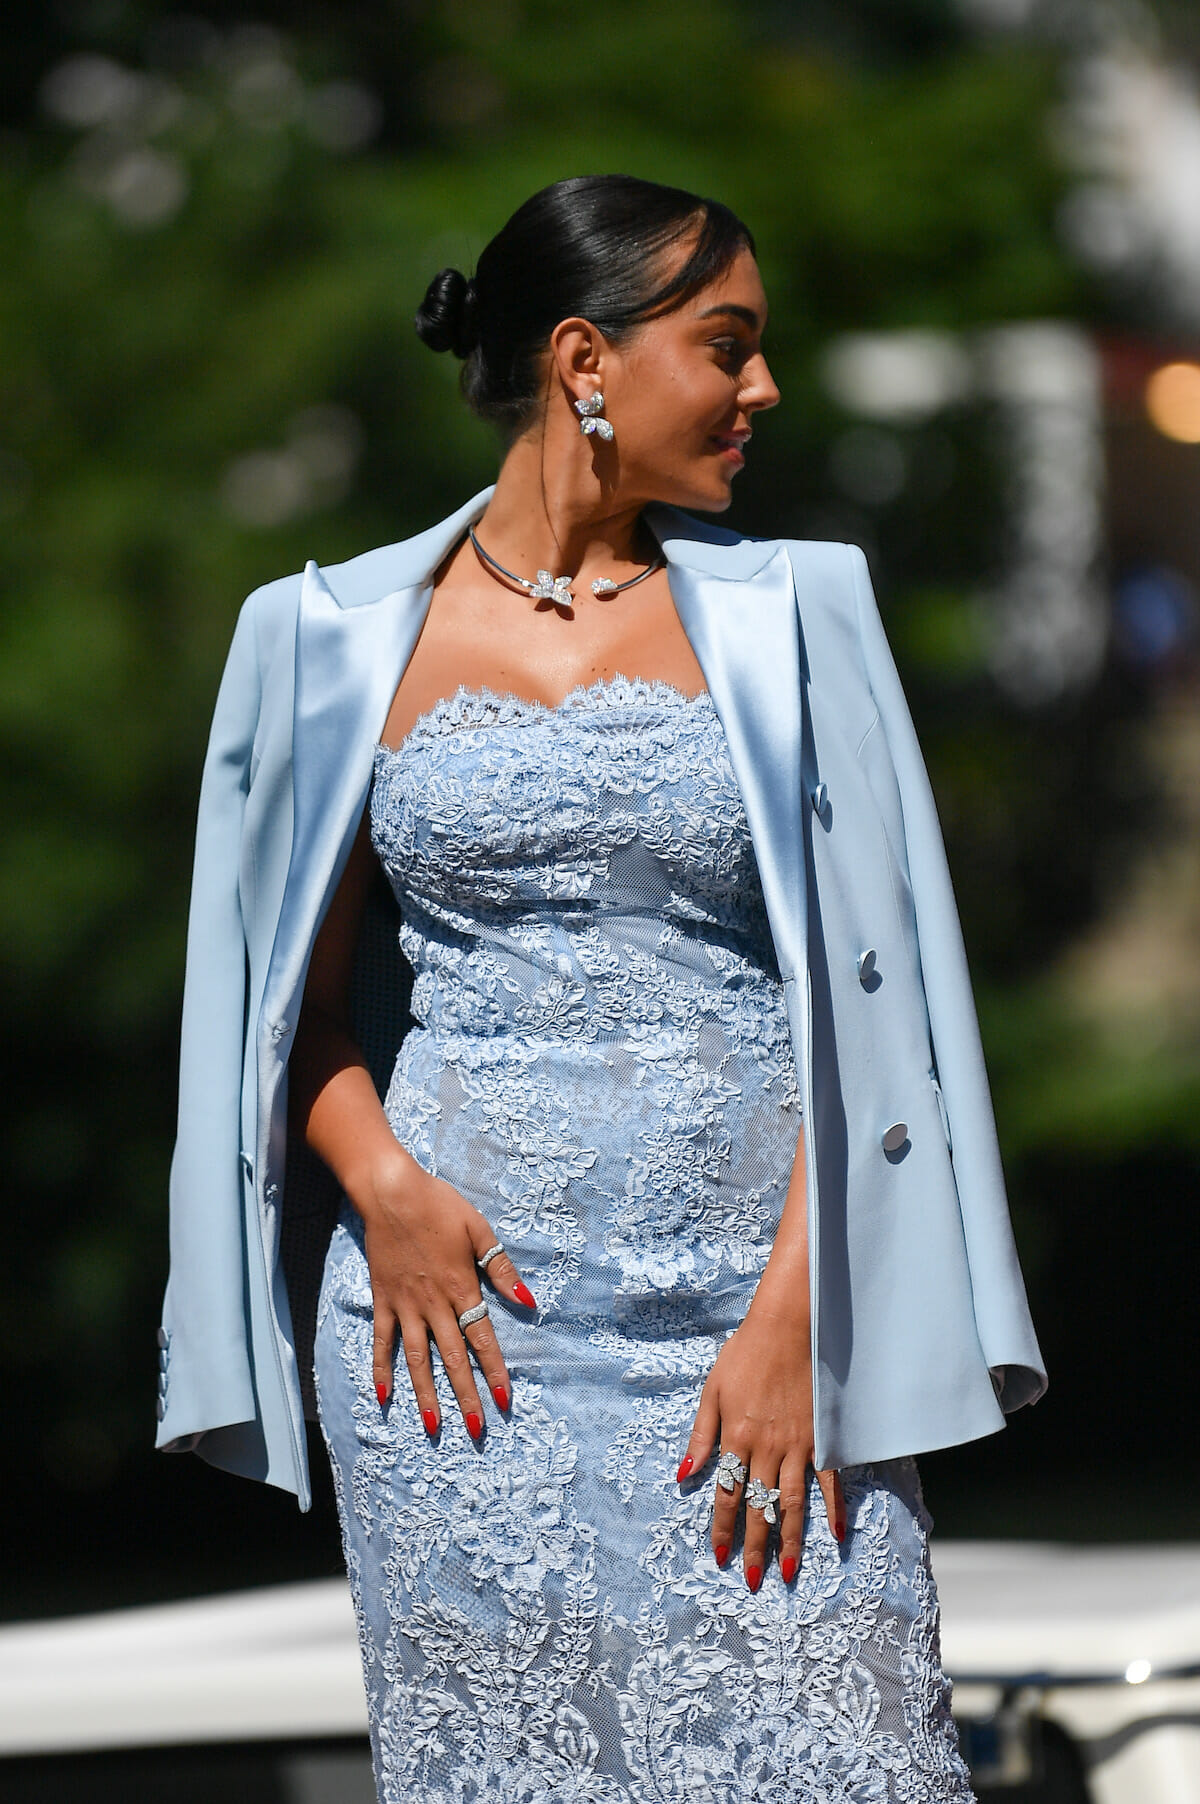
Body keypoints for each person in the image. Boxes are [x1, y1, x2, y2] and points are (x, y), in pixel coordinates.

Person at [157, 174, 1047, 1802]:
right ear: (586, 359)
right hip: (457, 1349)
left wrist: (801, 1320)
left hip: (761, 1328)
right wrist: (387, 1193)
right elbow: (282, 1008)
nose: (762, 389)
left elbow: (879, 1010)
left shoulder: (803, 618)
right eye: (728, 347)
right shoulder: (318, 638)